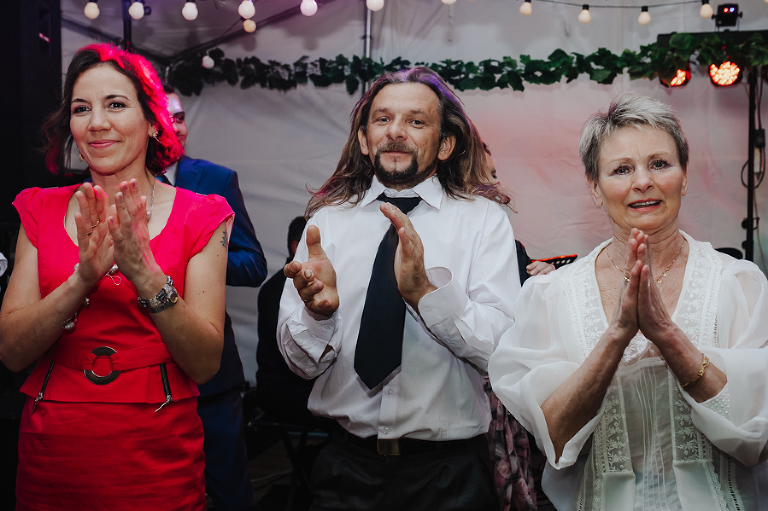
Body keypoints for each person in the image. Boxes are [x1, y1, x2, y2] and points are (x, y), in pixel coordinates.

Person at [489, 94, 768, 510]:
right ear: (595, 188)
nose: (642, 182)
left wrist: (667, 336)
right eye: (621, 169)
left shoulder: (739, 285)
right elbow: (555, 439)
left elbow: (756, 437)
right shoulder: (553, 295)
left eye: (659, 163)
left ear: (684, 176)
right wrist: (617, 335)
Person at [0, 43, 233, 510]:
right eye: (81, 108)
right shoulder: (40, 209)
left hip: (156, 458)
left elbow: (205, 363)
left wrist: (145, 274)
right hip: (52, 456)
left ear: (153, 121)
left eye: (116, 105)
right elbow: (12, 351)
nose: (96, 123)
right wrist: (81, 280)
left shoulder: (201, 215)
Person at [278, 67, 520, 511]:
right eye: (383, 119)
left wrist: (426, 294)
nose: (395, 132)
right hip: (344, 469)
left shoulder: (484, 222)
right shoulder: (326, 223)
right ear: (364, 139)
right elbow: (299, 365)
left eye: (416, 121)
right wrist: (318, 315)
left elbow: (501, 352)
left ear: (445, 144)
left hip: (449, 477)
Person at [164, 84, 267, 511]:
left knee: (229, 491)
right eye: (166, 117)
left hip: (212, 379)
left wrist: (193, 260)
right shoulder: (111, 183)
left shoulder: (216, 179)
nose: (177, 127)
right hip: (143, 374)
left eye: (181, 117)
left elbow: (254, 264)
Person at [256, 215, 322, 426]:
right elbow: (300, 357)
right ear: (296, 247)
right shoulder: (281, 290)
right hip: (285, 391)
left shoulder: (279, 285)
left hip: (286, 386)